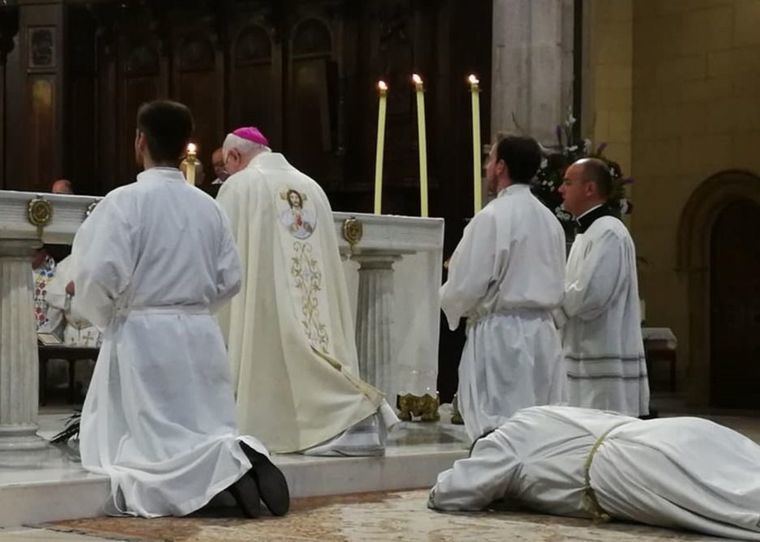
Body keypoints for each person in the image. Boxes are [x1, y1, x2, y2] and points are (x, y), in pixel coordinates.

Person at [69, 101, 288, 518]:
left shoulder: (125, 202)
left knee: (147, 450)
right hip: (199, 333)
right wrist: (196, 310)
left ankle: (215, 473)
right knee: (204, 426)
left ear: (140, 141)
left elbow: (98, 275)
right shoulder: (208, 205)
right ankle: (236, 458)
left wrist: (107, 316)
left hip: (143, 335)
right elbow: (230, 278)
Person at [216, 126, 397, 455]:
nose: (224, 174)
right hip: (311, 306)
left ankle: (338, 420)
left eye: (224, 166)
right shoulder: (311, 186)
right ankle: (349, 419)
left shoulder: (240, 186)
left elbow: (222, 258)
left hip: (262, 305)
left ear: (233, 156)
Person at [429, 405, 760, 540]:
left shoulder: (504, 440)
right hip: (672, 430)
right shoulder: (537, 414)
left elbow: (454, 492)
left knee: (735, 503)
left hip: (629, 463)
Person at [439, 135, 567, 441]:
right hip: (544, 335)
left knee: (499, 429)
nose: (486, 167)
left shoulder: (492, 217)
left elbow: (467, 284)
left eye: (489, 160)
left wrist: (444, 298)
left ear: (501, 167)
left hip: (503, 337)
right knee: (541, 429)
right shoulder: (550, 220)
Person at [555, 158, 649, 416]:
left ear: (590, 189)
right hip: (583, 358)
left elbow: (592, 295)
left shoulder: (609, 232)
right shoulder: (589, 233)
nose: (560, 189)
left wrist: (548, 305)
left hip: (601, 366)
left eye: (567, 182)